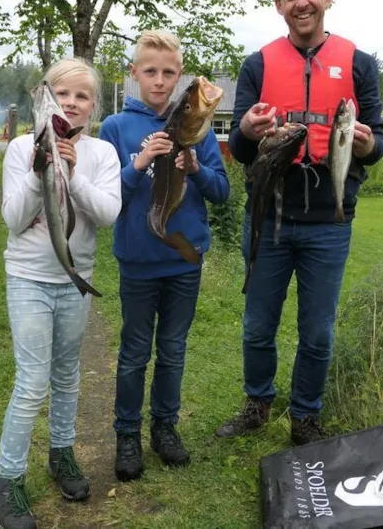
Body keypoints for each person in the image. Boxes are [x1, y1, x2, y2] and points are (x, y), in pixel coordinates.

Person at [215, 0, 383, 444]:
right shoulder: (257, 64)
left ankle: (305, 416)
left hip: (329, 221)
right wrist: (246, 130)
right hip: (269, 215)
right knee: (257, 325)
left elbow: (379, 145)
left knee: (317, 332)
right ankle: (257, 402)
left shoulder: (359, 63)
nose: (302, 2)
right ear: (279, 6)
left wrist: (367, 144)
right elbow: (243, 151)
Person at [0, 58, 121, 529]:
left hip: (74, 281)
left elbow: (107, 214)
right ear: (47, 99)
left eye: (82, 96)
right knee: (32, 381)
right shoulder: (22, 146)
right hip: (28, 279)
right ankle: (7, 479)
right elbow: (13, 218)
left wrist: (73, 171)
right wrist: (36, 170)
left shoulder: (102, 154)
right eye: (62, 93)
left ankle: (61, 454)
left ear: (93, 106)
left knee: (68, 374)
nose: (71, 102)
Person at [99, 30, 230, 482]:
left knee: (173, 350)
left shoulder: (197, 129)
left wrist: (194, 168)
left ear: (178, 77)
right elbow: (107, 195)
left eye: (168, 72)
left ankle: (165, 428)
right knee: (135, 351)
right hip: (137, 260)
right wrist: (138, 164)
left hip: (183, 262)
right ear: (133, 74)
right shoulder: (115, 128)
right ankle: (127, 433)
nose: (158, 80)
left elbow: (223, 191)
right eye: (149, 71)